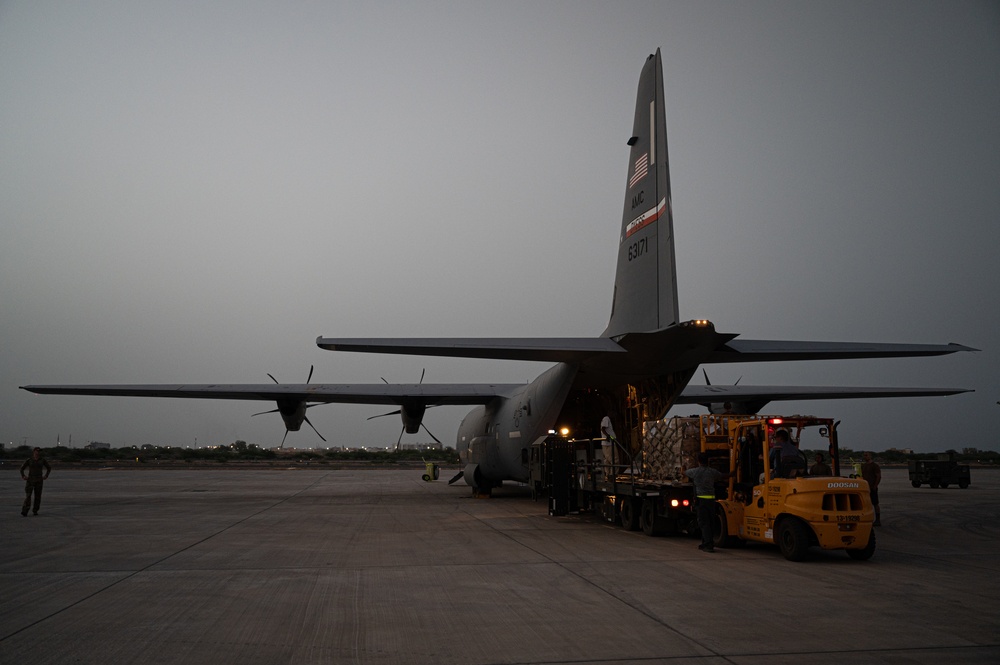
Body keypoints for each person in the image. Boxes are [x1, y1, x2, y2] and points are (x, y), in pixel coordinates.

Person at [684, 452, 732, 552]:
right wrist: (732, 474)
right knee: (710, 522)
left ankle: (708, 545)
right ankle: (704, 542)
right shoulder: (712, 472)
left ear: (698, 461)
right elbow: (722, 476)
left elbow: (685, 472)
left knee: (703, 523)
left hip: (701, 501)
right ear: (708, 461)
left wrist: (683, 469)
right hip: (711, 500)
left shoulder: (695, 472)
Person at [20, 447, 51, 517]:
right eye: (37, 451)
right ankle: (25, 510)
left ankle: (35, 510)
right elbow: (22, 468)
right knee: (28, 496)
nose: (38, 452)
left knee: (37, 497)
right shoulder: (29, 460)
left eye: (39, 451)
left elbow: (49, 468)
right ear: (34, 451)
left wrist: (46, 475)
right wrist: (23, 476)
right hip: (30, 480)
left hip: (39, 480)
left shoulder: (42, 460)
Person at [861, 451, 882, 526]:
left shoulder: (874, 466)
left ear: (870, 456)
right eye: (864, 455)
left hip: (872, 487)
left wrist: (875, 486)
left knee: (875, 503)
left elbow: (878, 476)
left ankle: (878, 519)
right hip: (865, 488)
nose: (865, 457)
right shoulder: (863, 465)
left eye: (866, 455)